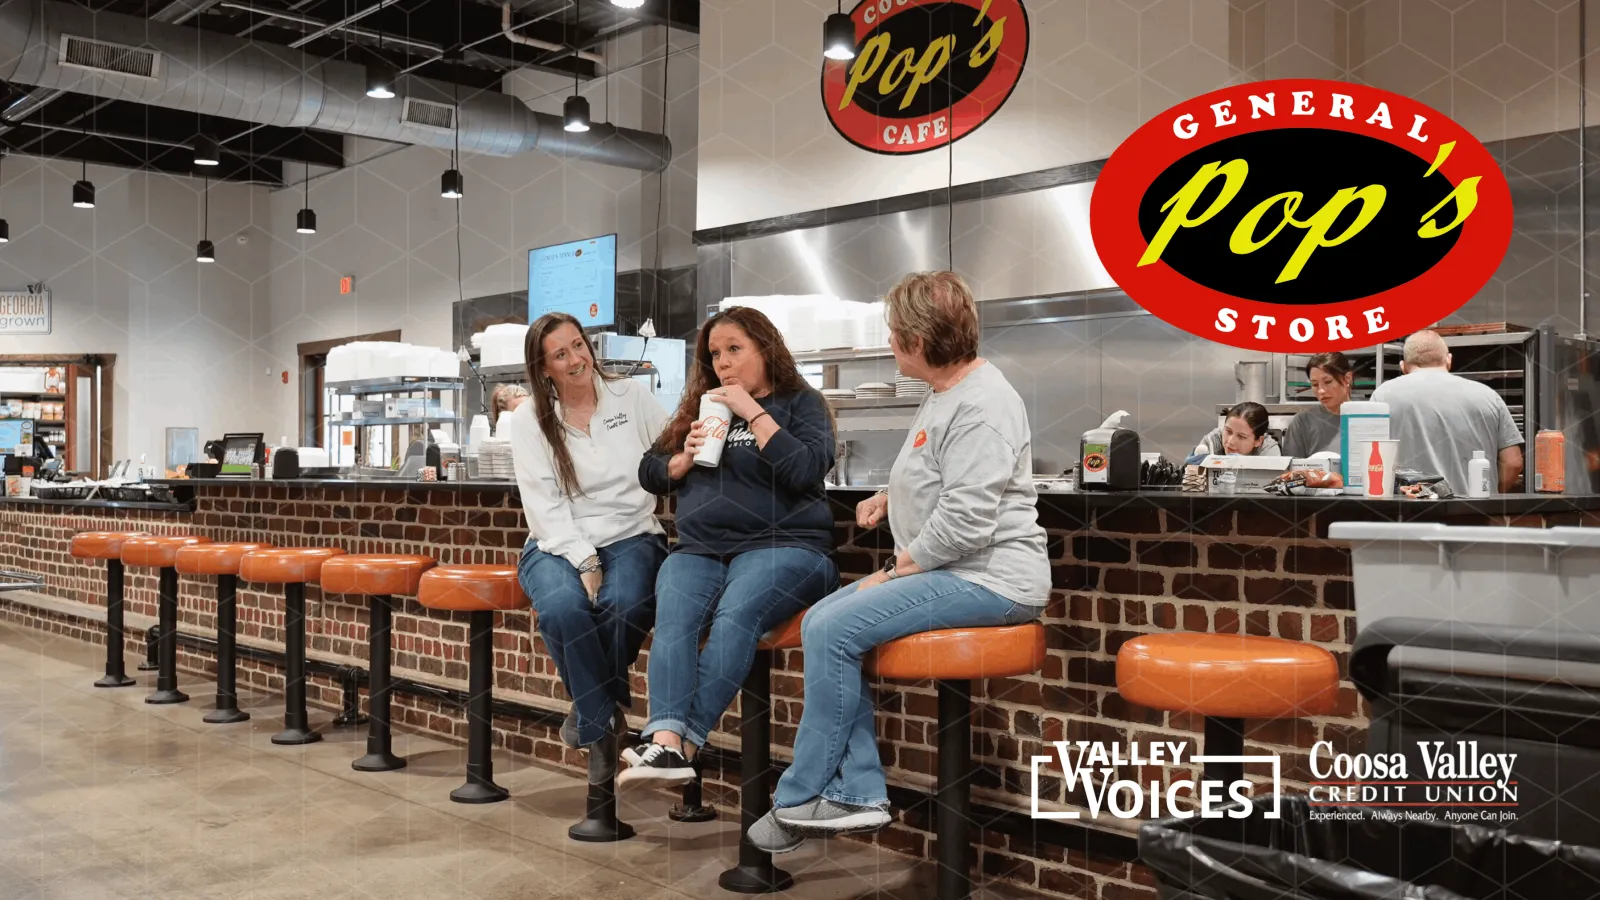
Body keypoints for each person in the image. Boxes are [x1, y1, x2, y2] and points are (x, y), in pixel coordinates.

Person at [747, 271, 1050, 852]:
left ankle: (801, 798)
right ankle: (852, 794)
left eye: (895, 331)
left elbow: (967, 522)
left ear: (921, 338)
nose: (889, 340)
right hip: (956, 571)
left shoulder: (982, 403)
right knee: (821, 619)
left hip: (993, 580)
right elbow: (947, 478)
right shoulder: (945, 391)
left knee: (834, 625)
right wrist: (893, 499)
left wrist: (893, 569)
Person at [622, 306, 840, 789]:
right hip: (701, 549)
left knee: (736, 615)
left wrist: (752, 412)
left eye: (735, 350)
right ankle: (667, 739)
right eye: (715, 354)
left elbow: (806, 470)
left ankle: (685, 743)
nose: (723, 363)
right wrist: (680, 460)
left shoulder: (800, 403)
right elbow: (648, 470)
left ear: (766, 349)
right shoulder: (700, 408)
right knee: (673, 618)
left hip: (787, 547)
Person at [509, 312, 669, 785]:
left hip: (634, 532)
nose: (577, 358)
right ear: (543, 369)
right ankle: (605, 721)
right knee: (561, 608)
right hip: (556, 539)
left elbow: (667, 448)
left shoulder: (630, 395)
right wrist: (583, 559)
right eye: (561, 353)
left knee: (623, 606)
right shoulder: (529, 419)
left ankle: (588, 715)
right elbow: (542, 504)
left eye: (579, 345)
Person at [1371, 329, 1524, 494]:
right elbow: (1513, 462)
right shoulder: (1488, 396)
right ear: (1449, 360)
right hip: (1474, 514)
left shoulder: (1383, 395)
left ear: (1403, 367)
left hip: (1408, 513)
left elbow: (1368, 460)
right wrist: (1491, 495)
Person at [1281, 351, 1353, 458]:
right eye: (1314, 384)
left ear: (1347, 379)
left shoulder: (1368, 418)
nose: (1321, 391)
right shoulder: (1302, 423)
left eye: (1328, 382)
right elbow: (1292, 471)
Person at [1192, 401, 1281, 457]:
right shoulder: (1212, 441)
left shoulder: (1269, 452)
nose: (1230, 441)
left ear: (1258, 441)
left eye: (1241, 436)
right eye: (1228, 431)